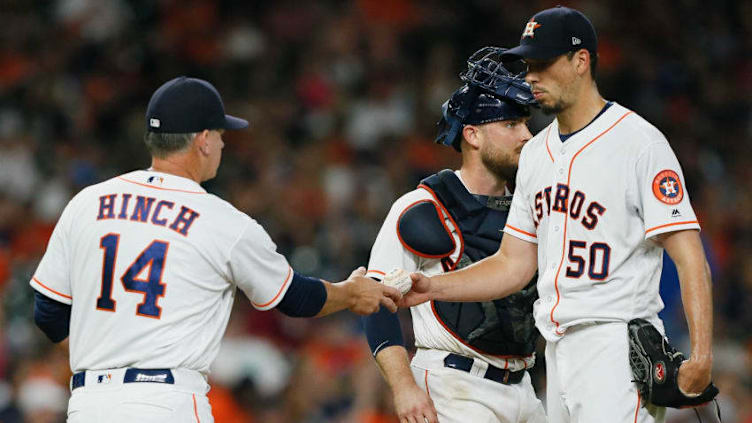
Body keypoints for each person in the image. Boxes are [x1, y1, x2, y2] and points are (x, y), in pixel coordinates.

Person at [396, 7, 714, 423]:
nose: (530, 76)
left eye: (543, 64)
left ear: (581, 62)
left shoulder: (639, 143)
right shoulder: (535, 155)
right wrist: (433, 287)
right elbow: (513, 264)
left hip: (616, 346)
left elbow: (689, 255)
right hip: (557, 352)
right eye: (528, 65)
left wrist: (703, 354)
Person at [30, 76, 401, 422]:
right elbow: (293, 298)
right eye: (221, 135)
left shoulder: (88, 202)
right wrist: (351, 294)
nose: (223, 144)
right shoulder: (221, 220)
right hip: (167, 402)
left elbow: (48, 311)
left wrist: (106, 363)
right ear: (203, 139)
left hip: (90, 404)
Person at [362, 47, 546, 423]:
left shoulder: (533, 204)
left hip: (525, 386)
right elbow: (375, 304)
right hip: (453, 386)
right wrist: (403, 387)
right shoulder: (422, 207)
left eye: (526, 124)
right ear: (473, 135)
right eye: (511, 124)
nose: (527, 135)